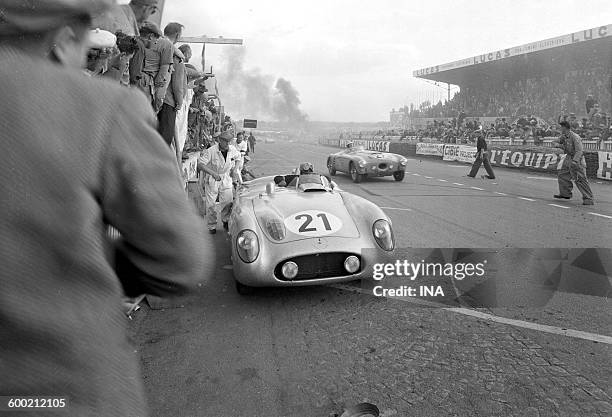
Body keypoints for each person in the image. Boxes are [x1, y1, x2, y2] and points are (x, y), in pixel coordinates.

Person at [0, 1, 214, 416]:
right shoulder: (99, 105)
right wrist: (101, 262)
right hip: (65, 394)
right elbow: (181, 260)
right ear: (64, 39)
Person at [198, 131, 241, 234]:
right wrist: (212, 173)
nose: (227, 144)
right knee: (211, 204)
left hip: (226, 177)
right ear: (220, 140)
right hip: (213, 178)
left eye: (229, 141)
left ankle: (225, 221)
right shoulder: (211, 151)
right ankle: (211, 226)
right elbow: (200, 164)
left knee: (227, 201)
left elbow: (238, 158)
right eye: (225, 141)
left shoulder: (232, 149)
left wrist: (235, 169)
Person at [552, 121, 594, 205]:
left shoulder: (575, 137)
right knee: (563, 174)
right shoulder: (564, 136)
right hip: (568, 157)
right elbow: (554, 142)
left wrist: (575, 161)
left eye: (561, 127)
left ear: (565, 127)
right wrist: (559, 145)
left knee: (580, 179)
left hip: (577, 159)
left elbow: (579, 151)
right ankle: (565, 194)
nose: (560, 129)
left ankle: (588, 198)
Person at [157, 22, 185, 145]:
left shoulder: (155, 44)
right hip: (168, 102)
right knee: (164, 139)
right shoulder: (176, 55)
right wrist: (179, 102)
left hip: (151, 97)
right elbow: (177, 85)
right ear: (177, 35)